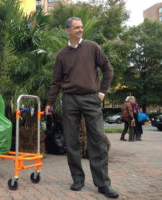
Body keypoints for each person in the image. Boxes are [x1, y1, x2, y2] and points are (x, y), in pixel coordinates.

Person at [45, 17, 119, 198]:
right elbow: (55, 82)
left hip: (91, 98)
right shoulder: (62, 55)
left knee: (98, 140)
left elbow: (108, 69)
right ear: (67, 30)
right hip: (69, 100)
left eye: (82, 27)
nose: (80, 30)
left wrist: (102, 92)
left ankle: (103, 184)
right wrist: (50, 103)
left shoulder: (92, 47)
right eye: (76, 27)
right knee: (71, 141)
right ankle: (77, 179)